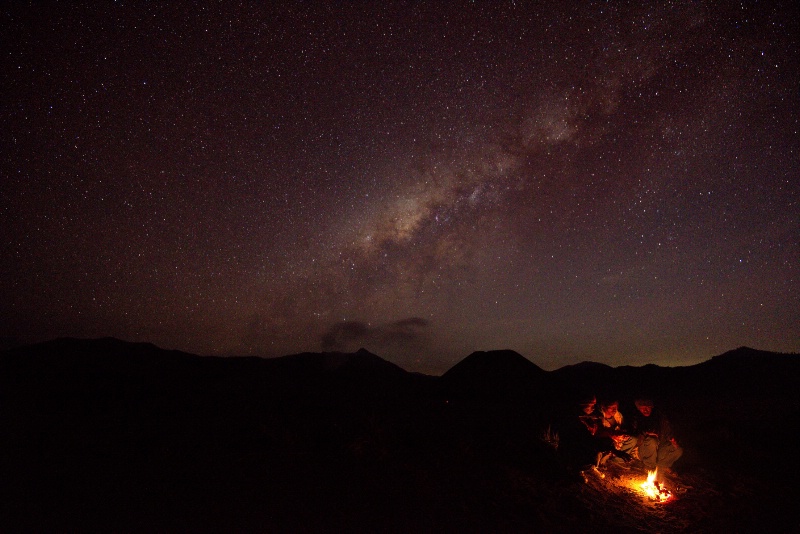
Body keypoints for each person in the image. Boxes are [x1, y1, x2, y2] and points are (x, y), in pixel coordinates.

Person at [631, 398, 683, 475]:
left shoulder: (659, 418)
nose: (645, 410)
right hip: (644, 449)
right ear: (639, 409)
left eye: (647, 407)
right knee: (652, 440)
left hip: (659, 448)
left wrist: (673, 440)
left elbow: (668, 433)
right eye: (643, 408)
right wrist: (646, 434)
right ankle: (649, 466)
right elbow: (634, 437)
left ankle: (662, 466)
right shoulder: (636, 419)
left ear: (651, 407)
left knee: (678, 450)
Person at [595, 399, 638, 466]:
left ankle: (617, 461)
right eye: (611, 407)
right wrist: (613, 435)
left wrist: (623, 434)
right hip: (606, 441)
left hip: (617, 439)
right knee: (608, 443)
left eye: (616, 407)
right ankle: (606, 461)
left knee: (633, 439)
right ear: (604, 407)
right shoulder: (599, 417)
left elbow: (622, 427)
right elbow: (598, 433)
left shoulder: (618, 415)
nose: (615, 409)